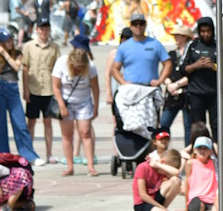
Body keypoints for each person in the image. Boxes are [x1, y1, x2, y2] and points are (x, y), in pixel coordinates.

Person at [0, 29, 38, 164]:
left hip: (12, 88)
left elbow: (16, 67)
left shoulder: (17, 54)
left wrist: (5, 54)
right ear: (0, 42)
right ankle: (3, 155)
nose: (10, 42)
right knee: (0, 125)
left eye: (11, 40)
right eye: (7, 41)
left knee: (20, 123)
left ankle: (29, 155)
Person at [52, 40, 100, 177]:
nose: (78, 69)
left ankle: (91, 166)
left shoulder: (90, 66)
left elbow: (95, 88)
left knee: (85, 132)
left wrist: (95, 107)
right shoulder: (61, 62)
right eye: (76, 67)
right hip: (66, 101)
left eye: (81, 67)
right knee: (67, 134)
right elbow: (55, 87)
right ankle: (70, 166)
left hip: (84, 102)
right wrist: (61, 105)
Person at [181, 17, 223, 138]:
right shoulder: (192, 45)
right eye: (203, 31)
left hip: (215, 94)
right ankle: (199, 153)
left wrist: (215, 66)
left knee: (216, 126)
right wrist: (196, 65)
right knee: (198, 127)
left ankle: (216, 153)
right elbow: (182, 69)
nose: (206, 34)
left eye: (208, 31)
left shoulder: (219, 46)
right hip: (196, 94)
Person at [22, 18, 60, 166]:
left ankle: (49, 153)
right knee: (31, 122)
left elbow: (58, 69)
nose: (43, 32)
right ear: (36, 30)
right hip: (33, 89)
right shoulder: (29, 46)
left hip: (49, 90)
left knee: (48, 122)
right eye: (41, 28)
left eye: (46, 28)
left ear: (49, 30)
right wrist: (25, 90)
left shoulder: (54, 47)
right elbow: (25, 68)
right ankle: (29, 153)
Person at [110, 12, 172, 89]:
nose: (138, 26)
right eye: (135, 24)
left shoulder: (155, 44)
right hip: (131, 88)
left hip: (150, 87)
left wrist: (160, 80)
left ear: (145, 25)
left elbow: (168, 63)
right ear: (131, 26)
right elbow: (114, 69)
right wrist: (123, 83)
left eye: (141, 24)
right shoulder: (124, 46)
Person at [184, 136, 218, 211]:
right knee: (199, 206)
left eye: (205, 148)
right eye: (199, 148)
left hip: (211, 199)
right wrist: (186, 204)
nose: (202, 150)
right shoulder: (190, 163)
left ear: (210, 151)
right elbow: (187, 184)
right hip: (196, 199)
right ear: (194, 150)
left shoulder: (212, 162)